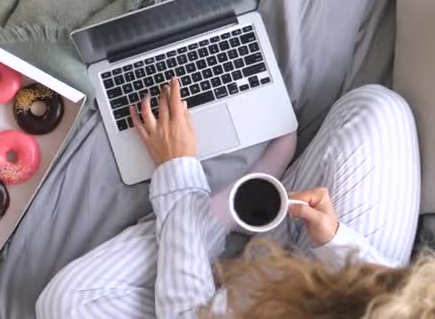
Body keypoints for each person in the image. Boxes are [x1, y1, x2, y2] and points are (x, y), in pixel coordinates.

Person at [36, 77, 428, 318]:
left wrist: (177, 169)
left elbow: (190, 312)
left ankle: (220, 215)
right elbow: (389, 293)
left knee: (64, 303)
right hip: (352, 296)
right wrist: (337, 241)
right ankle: (238, 214)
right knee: (379, 110)